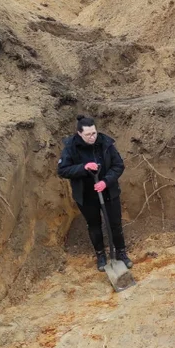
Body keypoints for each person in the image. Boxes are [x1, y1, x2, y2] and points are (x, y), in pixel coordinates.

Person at [57, 115, 132, 272]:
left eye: (94, 133)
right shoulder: (71, 147)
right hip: (86, 195)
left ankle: (121, 252)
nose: (92, 137)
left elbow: (118, 165)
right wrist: (83, 167)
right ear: (79, 134)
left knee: (115, 224)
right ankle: (101, 255)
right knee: (94, 225)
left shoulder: (106, 143)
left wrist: (105, 182)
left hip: (108, 191)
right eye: (88, 135)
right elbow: (62, 170)